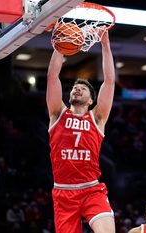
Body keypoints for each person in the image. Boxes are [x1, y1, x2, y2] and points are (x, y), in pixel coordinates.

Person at [46, 30, 116, 233]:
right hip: (63, 191)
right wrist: (61, 45)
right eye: (75, 88)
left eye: (82, 88)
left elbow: (109, 82)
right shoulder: (57, 113)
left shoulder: (97, 118)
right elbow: (52, 77)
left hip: (91, 189)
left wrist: (105, 43)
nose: (76, 89)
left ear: (91, 100)